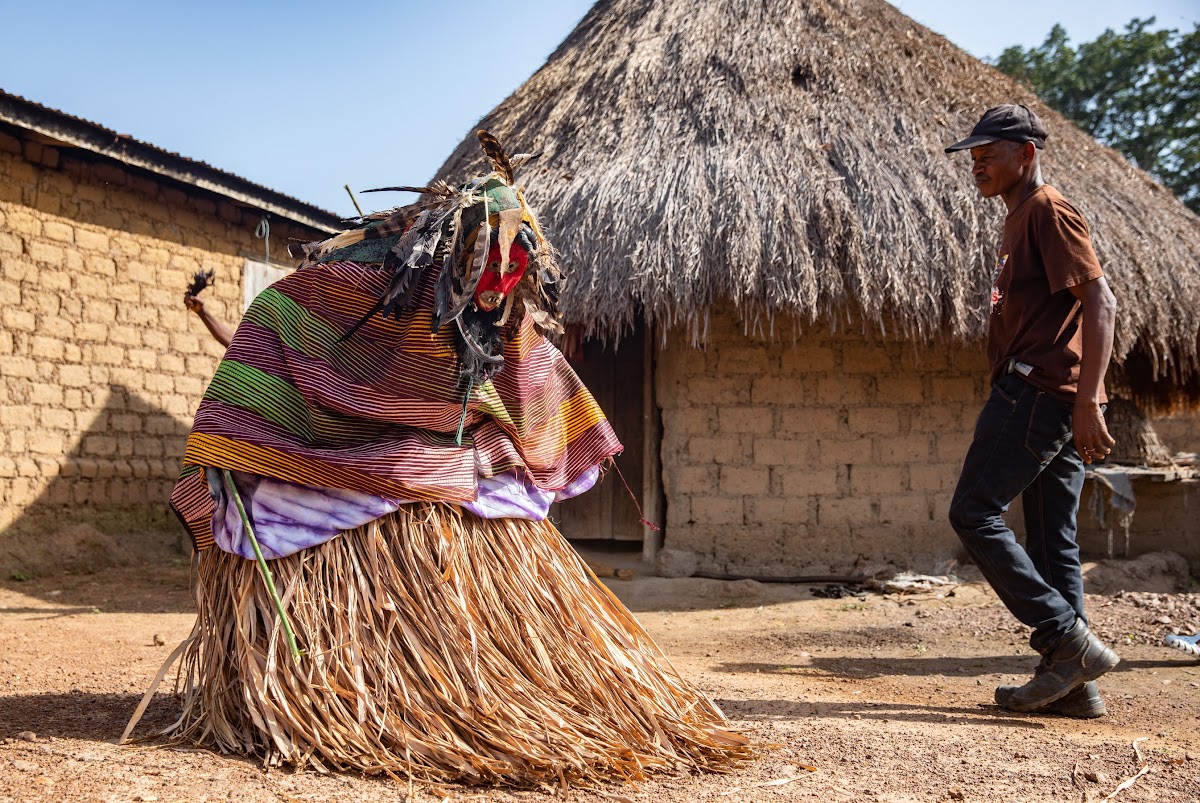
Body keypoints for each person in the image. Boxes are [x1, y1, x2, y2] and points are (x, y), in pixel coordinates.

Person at [126, 131, 751, 785]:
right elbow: (277, 341)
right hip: (358, 473)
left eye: (511, 274)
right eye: (487, 267)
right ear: (457, 250)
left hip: (458, 501)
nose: (496, 289)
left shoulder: (504, 327)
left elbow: (536, 393)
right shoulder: (336, 297)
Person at [945, 105, 1121, 718]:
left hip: (1038, 392)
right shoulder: (1018, 215)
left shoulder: (1047, 209)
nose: (978, 167)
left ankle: (1064, 642)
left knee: (973, 511)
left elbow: (1101, 303)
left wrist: (1089, 399)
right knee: (1052, 542)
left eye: (987, 155)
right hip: (1047, 392)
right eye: (973, 159)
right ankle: (1074, 687)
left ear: (1025, 152)